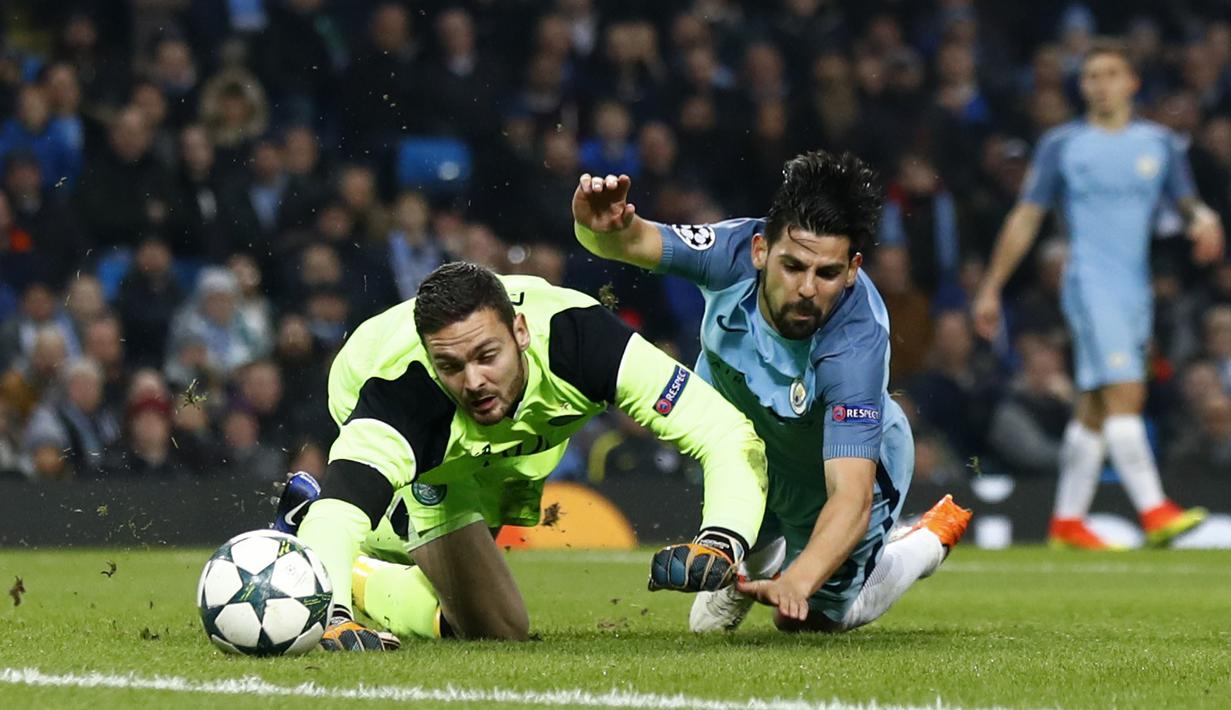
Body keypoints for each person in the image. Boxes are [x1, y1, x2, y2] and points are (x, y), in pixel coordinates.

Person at [571, 151, 971, 634]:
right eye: (792, 266)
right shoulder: (729, 252)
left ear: (851, 269)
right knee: (705, 629)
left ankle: (922, 543)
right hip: (748, 455)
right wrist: (600, 226)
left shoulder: (856, 342)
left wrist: (798, 582)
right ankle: (755, 557)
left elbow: (850, 496)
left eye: (826, 273)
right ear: (761, 250)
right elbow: (630, 240)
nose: (806, 288)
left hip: (827, 476)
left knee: (812, 620)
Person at [275, 261, 769, 650]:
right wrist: (331, 613)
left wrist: (722, 541)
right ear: (431, 359)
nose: (473, 382)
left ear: (521, 332)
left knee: (478, 609)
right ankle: (342, 557)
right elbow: (343, 507)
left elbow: (725, 432)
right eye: (451, 365)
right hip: (431, 451)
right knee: (495, 628)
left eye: (487, 356)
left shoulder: (585, 341)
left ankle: (362, 544)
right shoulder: (403, 396)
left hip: (518, 446)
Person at [972, 41, 1225, 550]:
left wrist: (1206, 220)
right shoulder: (1062, 145)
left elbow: (1187, 202)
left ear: (1132, 82)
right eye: (1091, 76)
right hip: (1088, 281)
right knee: (1126, 394)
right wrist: (991, 287)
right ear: (1082, 85)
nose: (1100, 84)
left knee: (1094, 404)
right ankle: (1154, 510)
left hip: (1136, 288)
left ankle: (1066, 521)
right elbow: (1027, 217)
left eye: (1111, 74)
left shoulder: (1160, 144)